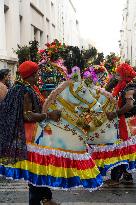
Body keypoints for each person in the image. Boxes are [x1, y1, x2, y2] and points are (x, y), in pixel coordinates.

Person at [0, 61, 61, 205]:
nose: (37, 76)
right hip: (30, 136)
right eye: (35, 74)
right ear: (29, 75)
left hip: (32, 134)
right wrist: (49, 115)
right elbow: (27, 115)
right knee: (36, 170)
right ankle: (37, 201)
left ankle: (47, 198)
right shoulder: (25, 91)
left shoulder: (22, 87)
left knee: (40, 168)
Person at [106, 62, 136, 186]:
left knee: (120, 150)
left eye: (118, 74)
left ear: (124, 75)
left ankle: (115, 178)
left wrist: (116, 113)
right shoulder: (123, 85)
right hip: (127, 122)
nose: (116, 76)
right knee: (125, 149)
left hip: (128, 123)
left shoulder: (129, 87)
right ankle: (127, 175)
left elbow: (129, 105)